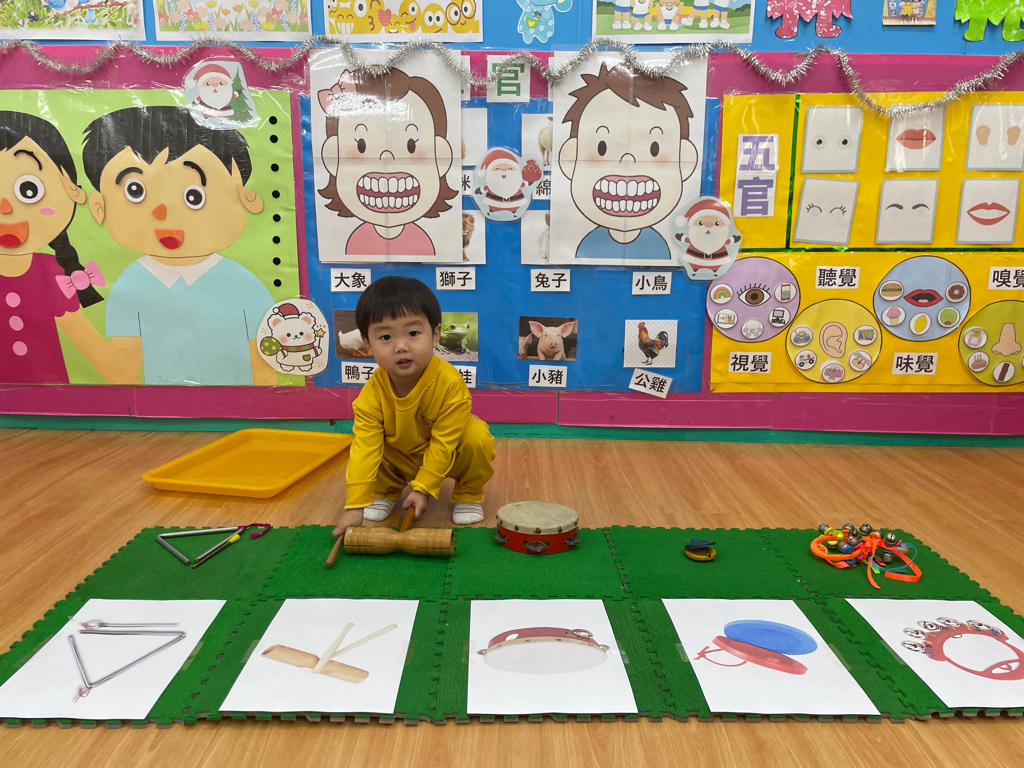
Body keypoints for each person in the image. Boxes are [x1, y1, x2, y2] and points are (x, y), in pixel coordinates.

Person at [82, 106, 275, 386]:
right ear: (99, 206)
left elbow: (265, 363)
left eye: (194, 196)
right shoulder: (130, 283)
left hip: (238, 402)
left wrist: (263, 403)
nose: (161, 212)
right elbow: (126, 364)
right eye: (135, 191)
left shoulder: (245, 285)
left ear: (245, 199)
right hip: (158, 403)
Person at [333, 275, 495, 538]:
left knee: (476, 436)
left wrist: (423, 488)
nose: (401, 346)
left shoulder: (450, 383)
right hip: (401, 455)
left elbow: (444, 442)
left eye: (413, 333)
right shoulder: (371, 393)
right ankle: (384, 491)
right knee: (372, 444)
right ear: (367, 344)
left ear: (435, 335)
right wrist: (355, 504)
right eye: (385, 336)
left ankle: (468, 493)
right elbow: (365, 448)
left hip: (446, 454)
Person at [0, 111, 133, 385]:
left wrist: (126, 384)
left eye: (29, 190)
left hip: (50, 392)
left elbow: (84, 338)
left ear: (72, 190)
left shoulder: (51, 270)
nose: (6, 208)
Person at [558, 63, 698, 261]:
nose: (627, 160)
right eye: (601, 147)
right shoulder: (586, 247)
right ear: (570, 157)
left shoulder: (659, 248)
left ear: (685, 160)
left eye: (655, 148)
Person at [317, 68, 458, 258]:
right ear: (332, 155)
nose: (386, 157)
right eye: (360, 145)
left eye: (411, 145)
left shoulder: (425, 243)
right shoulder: (354, 243)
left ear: (442, 156)